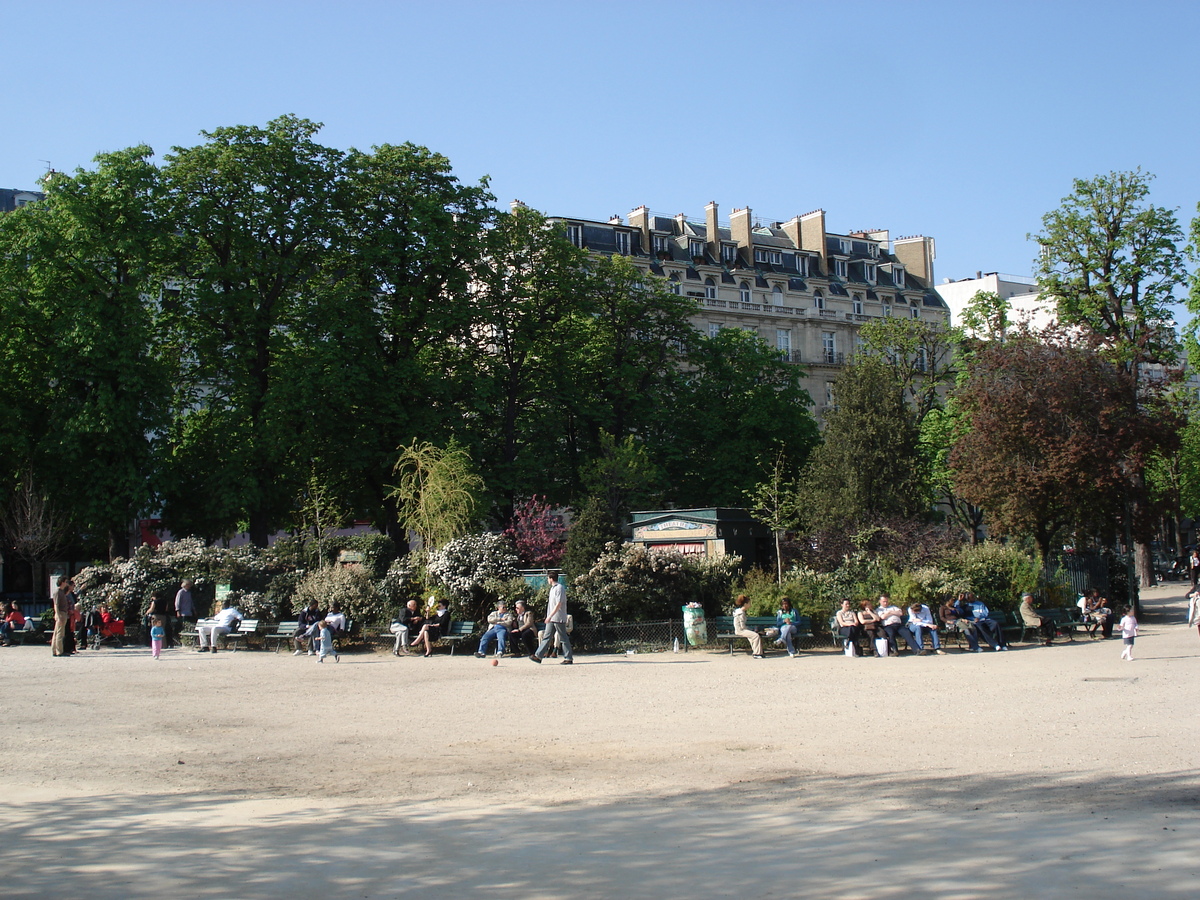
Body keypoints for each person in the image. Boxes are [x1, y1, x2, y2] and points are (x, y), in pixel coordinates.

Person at [530, 571, 574, 664]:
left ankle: (568, 657)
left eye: (548, 578)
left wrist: (550, 616)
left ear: (551, 578)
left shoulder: (559, 588)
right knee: (547, 636)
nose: (547, 580)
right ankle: (538, 656)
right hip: (552, 617)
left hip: (558, 617)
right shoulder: (552, 589)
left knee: (563, 637)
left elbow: (559, 604)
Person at [728, 593, 763, 659]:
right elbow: (742, 627)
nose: (750, 605)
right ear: (745, 604)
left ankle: (758, 652)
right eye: (749, 603)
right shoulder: (740, 613)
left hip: (741, 630)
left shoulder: (741, 612)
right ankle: (757, 654)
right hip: (740, 631)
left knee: (753, 635)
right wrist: (751, 629)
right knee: (755, 636)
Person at [51, 576, 73, 657]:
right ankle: (59, 651)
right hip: (61, 613)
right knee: (60, 633)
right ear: (62, 582)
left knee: (57, 632)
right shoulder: (57, 592)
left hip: (63, 613)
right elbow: (56, 605)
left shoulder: (61, 592)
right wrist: (58, 615)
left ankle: (55, 650)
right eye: (66, 581)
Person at [175, 580, 196, 645]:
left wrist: (194, 610)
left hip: (189, 612)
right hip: (183, 612)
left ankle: (188, 639)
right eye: (189, 585)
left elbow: (191, 602)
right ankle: (179, 639)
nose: (190, 586)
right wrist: (178, 611)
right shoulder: (181, 592)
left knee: (189, 626)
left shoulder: (189, 593)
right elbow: (177, 602)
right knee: (182, 626)